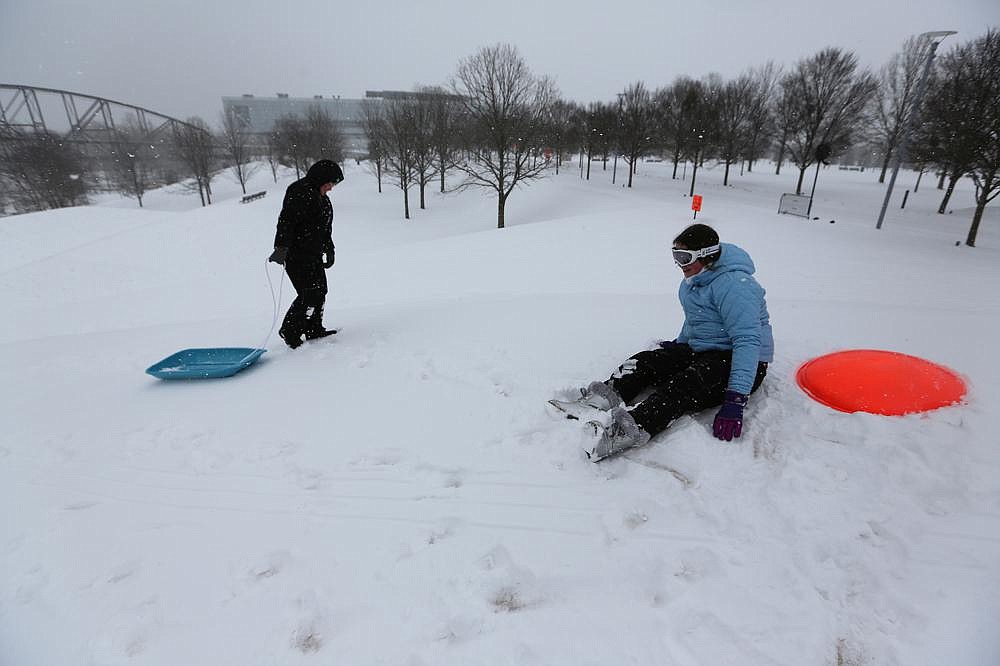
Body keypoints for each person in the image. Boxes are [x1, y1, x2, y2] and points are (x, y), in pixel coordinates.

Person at [566, 223, 773, 460]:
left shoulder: (736, 287)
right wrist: (678, 347)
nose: (679, 264)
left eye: (685, 257)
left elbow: (747, 342)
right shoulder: (694, 280)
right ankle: (601, 398)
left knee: (687, 383)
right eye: (676, 256)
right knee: (648, 361)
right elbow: (696, 320)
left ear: (706, 256)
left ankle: (628, 430)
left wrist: (736, 400)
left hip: (742, 359)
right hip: (705, 350)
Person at [268, 159, 344, 349]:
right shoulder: (300, 192)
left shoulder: (323, 199)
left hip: (313, 254)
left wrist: (330, 249)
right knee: (309, 293)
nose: (331, 188)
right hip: (296, 255)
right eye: (330, 183)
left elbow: (324, 229)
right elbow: (286, 221)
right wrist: (281, 248)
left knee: (320, 291)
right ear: (321, 179)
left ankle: (313, 328)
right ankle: (290, 331)